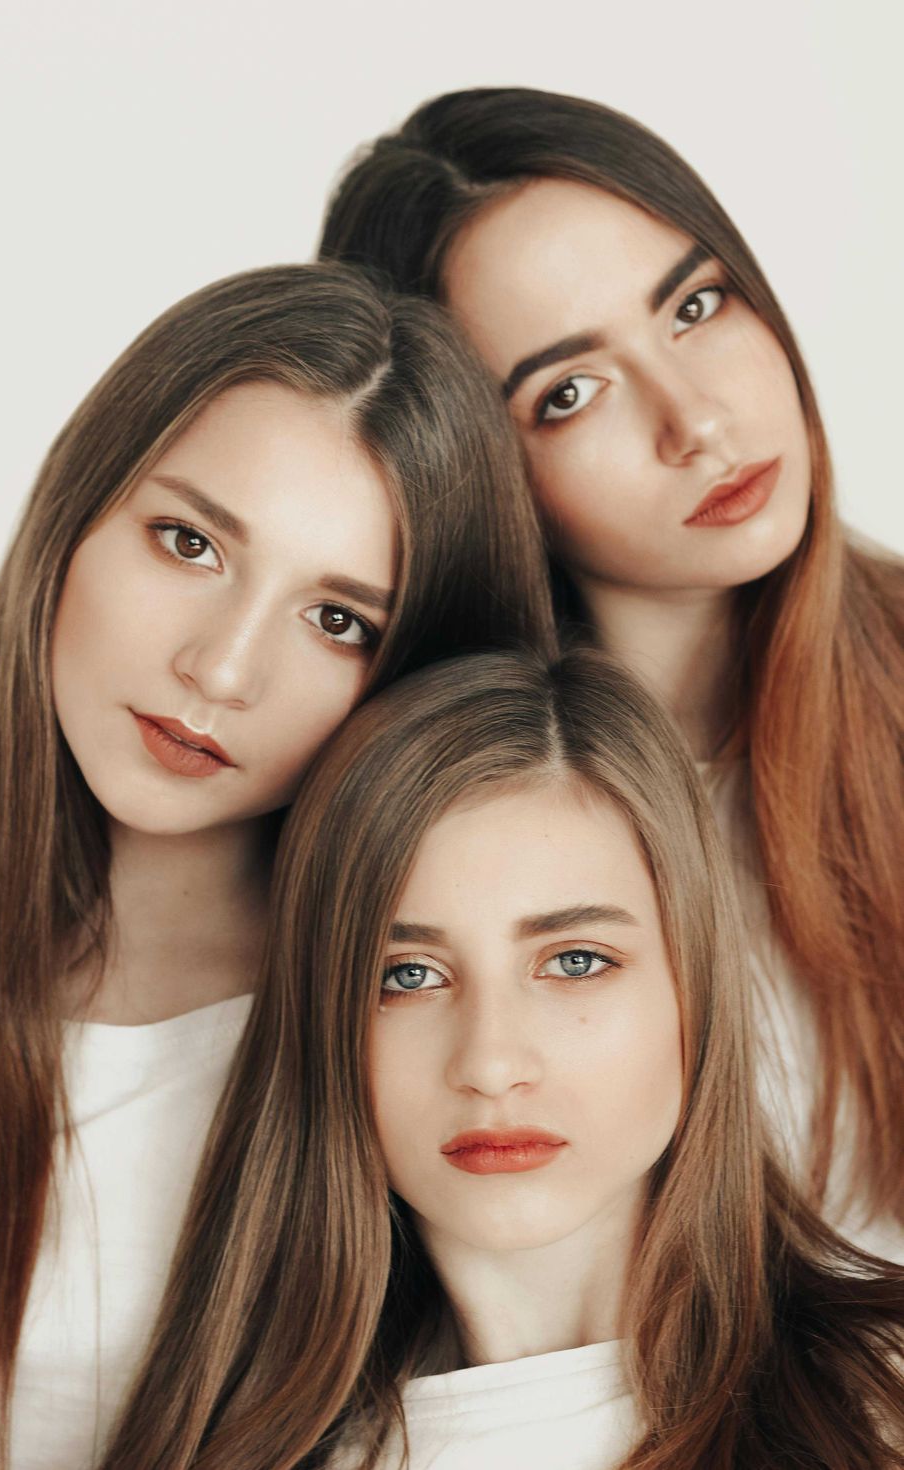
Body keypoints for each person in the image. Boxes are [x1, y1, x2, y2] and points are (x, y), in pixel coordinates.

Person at [0, 262, 555, 1470]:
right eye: (188, 542)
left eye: (338, 621)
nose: (220, 670)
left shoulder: (422, 1045)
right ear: (74, 512)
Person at [317, 88, 904, 1256]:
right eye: (567, 392)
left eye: (695, 305)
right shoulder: (429, 823)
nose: (694, 419)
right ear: (472, 468)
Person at [98, 645, 904, 1470]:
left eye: (575, 962)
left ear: (693, 984)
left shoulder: (880, 1402)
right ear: (325, 1020)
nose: (489, 1063)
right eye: (409, 976)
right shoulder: (226, 1441)